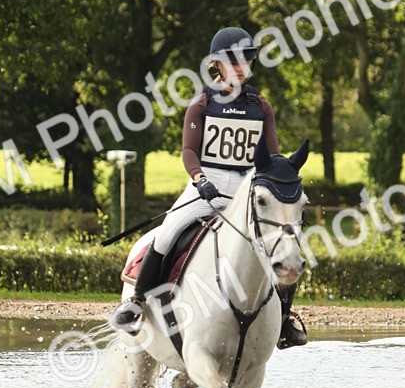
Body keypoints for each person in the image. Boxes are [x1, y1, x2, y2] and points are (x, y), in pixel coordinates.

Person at [109, 26, 307, 349]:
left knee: (283, 242)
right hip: (206, 186)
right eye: (234, 61)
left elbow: (270, 157)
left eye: (246, 60)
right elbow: (188, 151)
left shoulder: (262, 108)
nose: (242, 67)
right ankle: (136, 303)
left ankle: (283, 318)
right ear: (218, 65)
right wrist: (200, 180)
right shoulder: (202, 104)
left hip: (245, 192)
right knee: (167, 232)